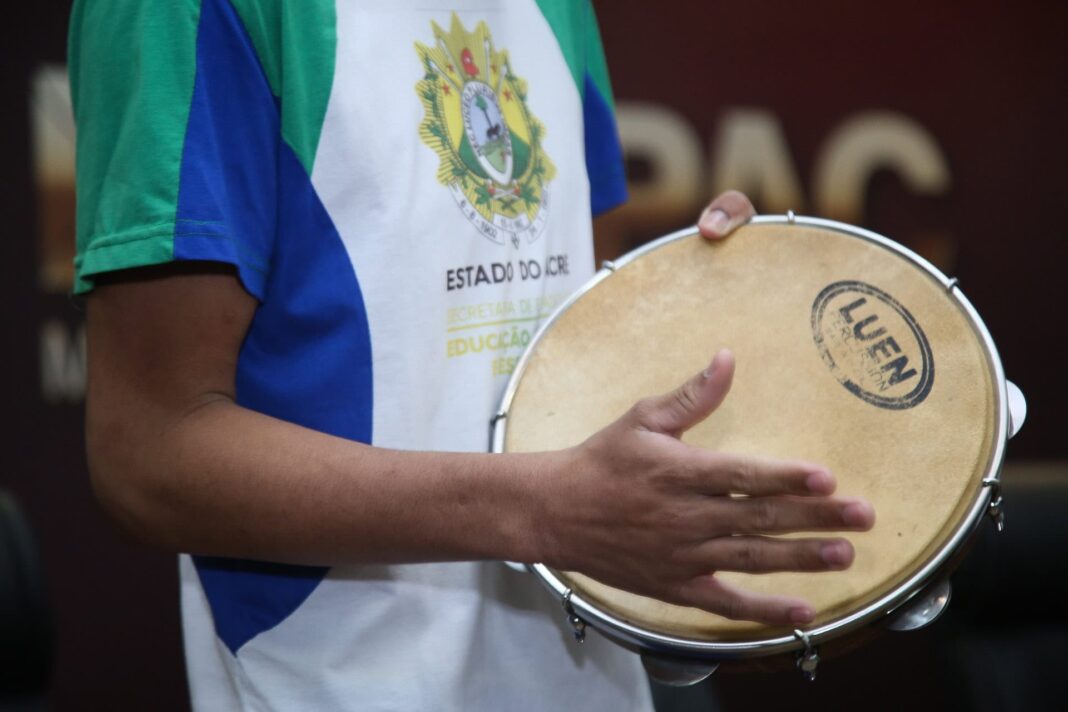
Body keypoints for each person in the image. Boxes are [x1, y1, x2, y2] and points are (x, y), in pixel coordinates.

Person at [70, 1, 874, 709]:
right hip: (337, 685)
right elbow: (148, 451)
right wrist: (538, 511)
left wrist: (691, 302)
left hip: (587, 682)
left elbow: (572, 335)